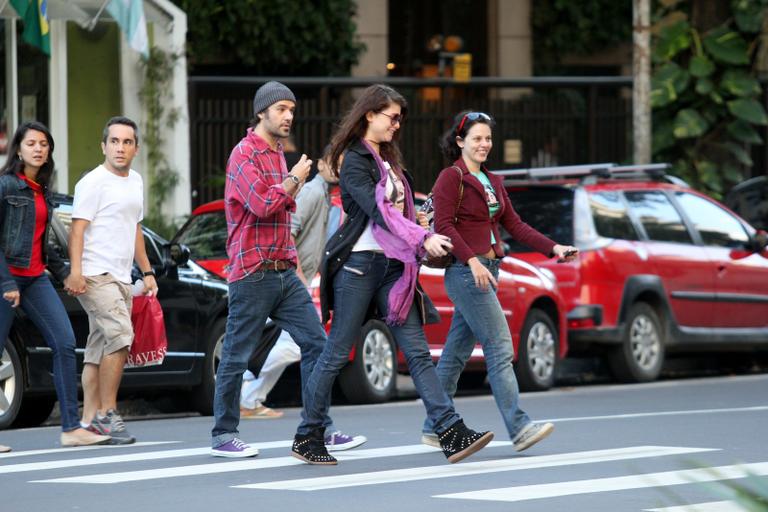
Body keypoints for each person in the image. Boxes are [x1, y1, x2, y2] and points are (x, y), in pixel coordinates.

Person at [293, 84, 494, 466]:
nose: (397, 125)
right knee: (335, 354)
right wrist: (423, 235)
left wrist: (418, 224)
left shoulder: (390, 161)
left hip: (393, 269)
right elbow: (377, 211)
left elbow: (398, 215)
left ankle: (449, 430)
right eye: (392, 116)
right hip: (357, 267)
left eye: (400, 118)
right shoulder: (354, 159)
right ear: (369, 114)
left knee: (417, 352)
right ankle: (308, 433)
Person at [211, 81, 364, 458]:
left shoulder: (278, 154)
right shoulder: (243, 155)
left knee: (317, 345)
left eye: (291, 110)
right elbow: (263, 204)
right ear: (261, 111)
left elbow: (282, 215)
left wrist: (294, 264)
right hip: (252, 271)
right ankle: (223, 434)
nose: (288, 116)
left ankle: (318, 428)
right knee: (236, 354)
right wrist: (295, 178)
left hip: (283, 271)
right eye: (281, 109)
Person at [421, 110, 579, 452]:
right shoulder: (452, 178)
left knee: (455, 353)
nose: (484, 144)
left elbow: (516, 225)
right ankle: (519, 427)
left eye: (488, 138)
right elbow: (445, 226)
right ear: (460, 142)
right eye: (476, 138)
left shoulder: (493, 181)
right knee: (500, 346)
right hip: (466, 274)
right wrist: (473, 260)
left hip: (487, 271)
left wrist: (554, 247)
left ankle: (434, 424)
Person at [240, 150, 365, 460]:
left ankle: (252, 399)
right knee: (299, 347)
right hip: (289, 280)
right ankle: (315, 424)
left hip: (297, 280)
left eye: (343, 164)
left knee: (296, 345)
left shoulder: (327, 195)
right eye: (333, 162)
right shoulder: (311, 191)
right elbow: (290, 231)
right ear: (321, 164)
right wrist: (298, 278)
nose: (338, 168)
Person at [0, 121, 111, 448]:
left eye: (44, 144)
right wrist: (6, 280)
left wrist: (67, 274)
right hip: (6, 277)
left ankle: (71, 428)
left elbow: (42, 247)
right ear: (18, 149)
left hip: (35, 278)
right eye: (31, 143)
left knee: (63, 342)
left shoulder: (42, 193)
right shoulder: (6, 186)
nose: (38, 148)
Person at [65, 116, 158, 445]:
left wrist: (146, 271)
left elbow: (135, 229)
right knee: (120, 336)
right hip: (94, 275)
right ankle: (107, 414)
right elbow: (77, 229)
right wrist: (76, 272)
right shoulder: (93, 182)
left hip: (121, 277)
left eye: (127, 142)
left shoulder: (135, 182)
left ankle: (88, 422)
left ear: (135, 148)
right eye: (114, 141)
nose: (120, 147)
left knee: (99, 347)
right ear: (104, 145)